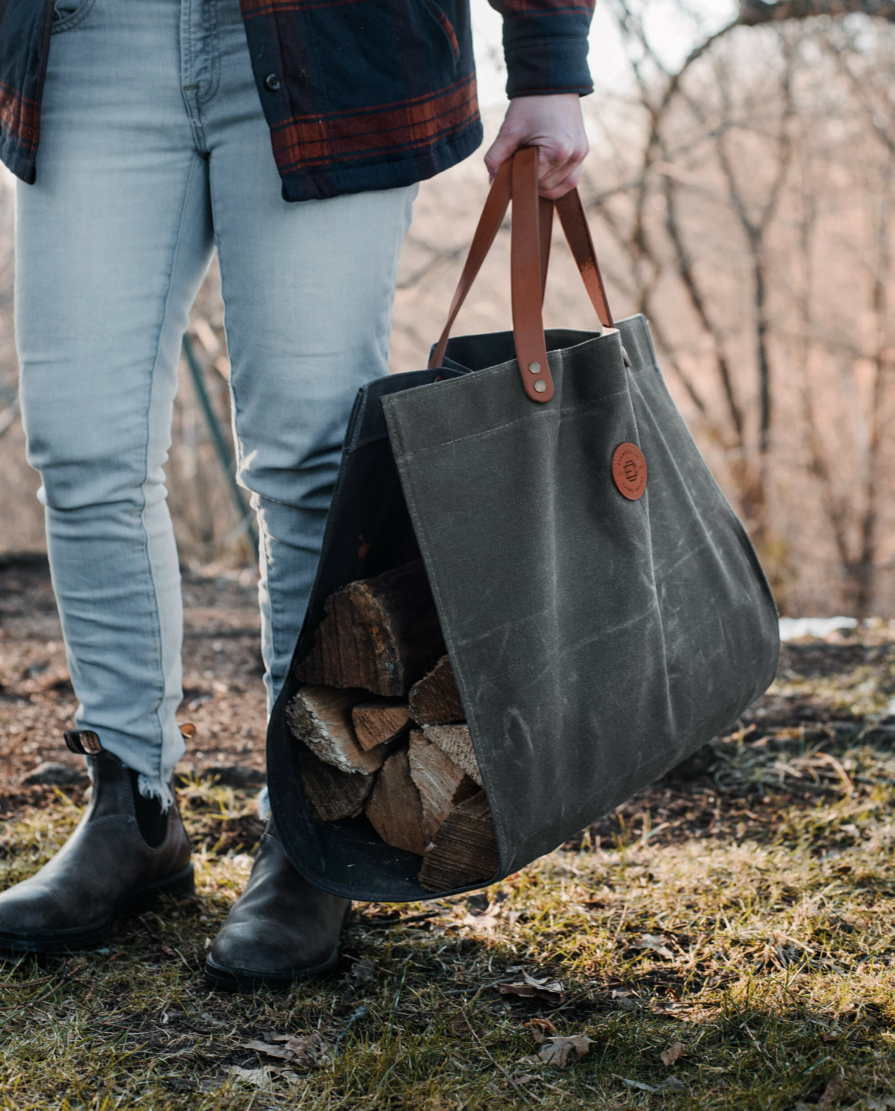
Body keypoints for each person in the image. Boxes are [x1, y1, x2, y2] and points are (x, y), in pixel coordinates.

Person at [0, 0, 594, 988]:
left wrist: (546, 60)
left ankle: (309, 827)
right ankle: (131, 808)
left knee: (310, 459)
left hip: (329, 40)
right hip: (87, 39)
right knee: (83, 444)